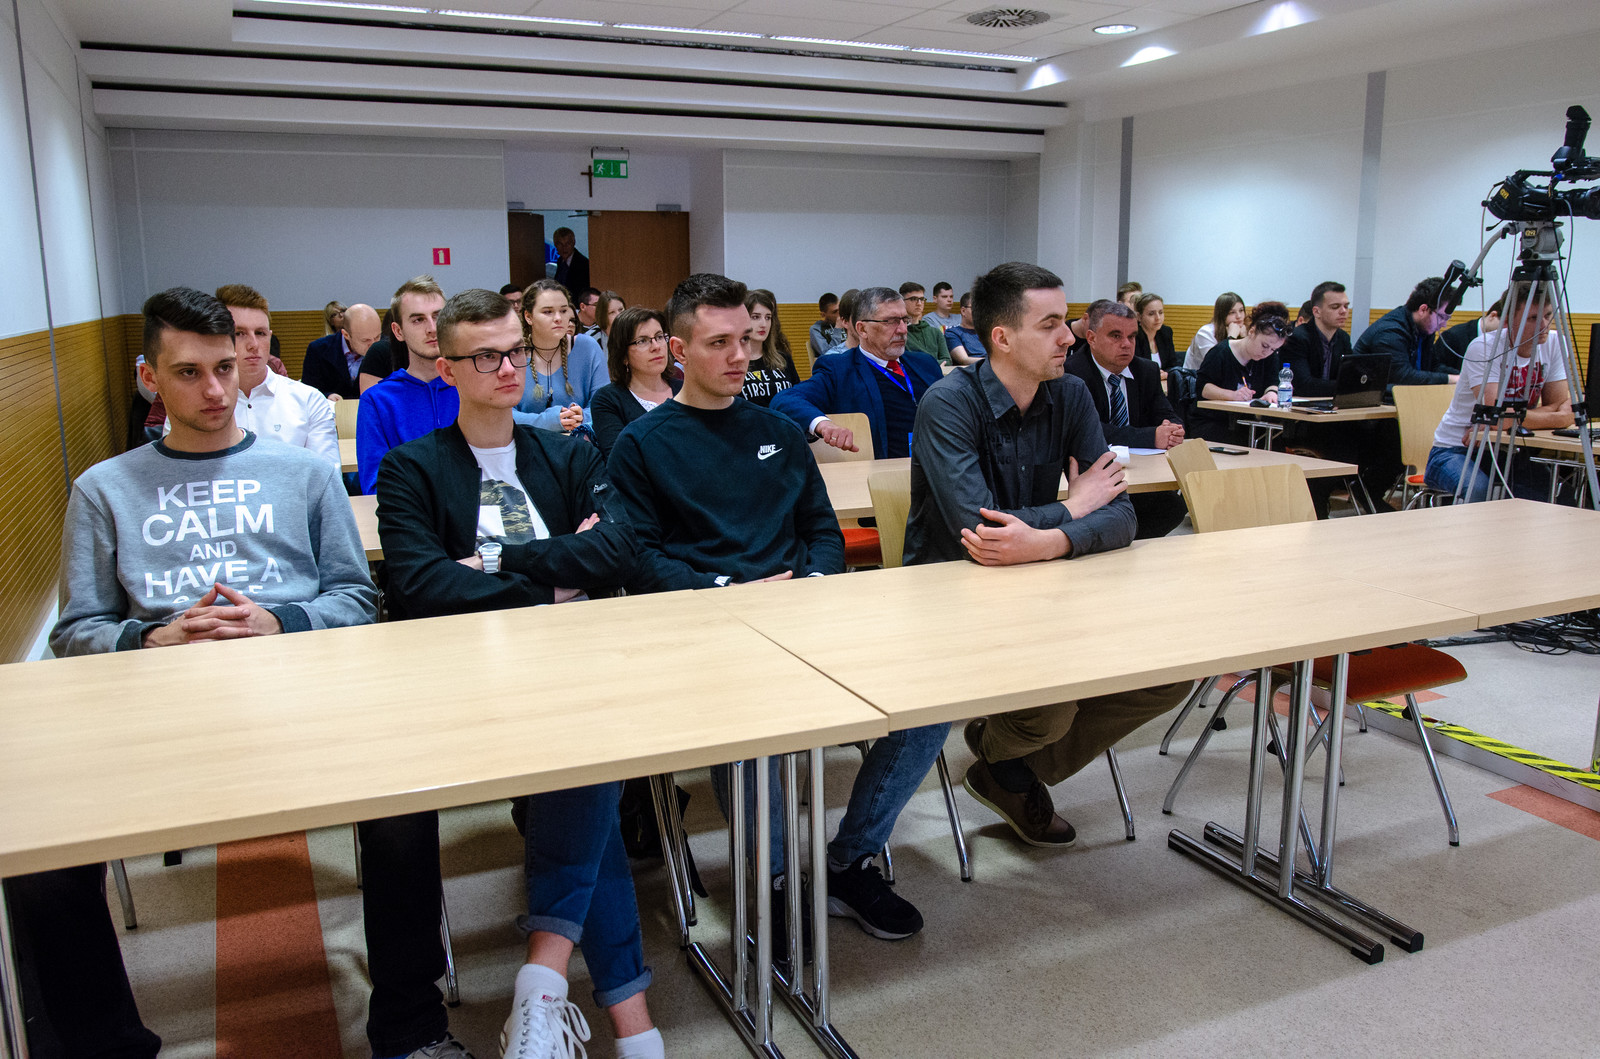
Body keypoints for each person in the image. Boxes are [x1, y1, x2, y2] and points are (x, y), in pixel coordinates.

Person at [13, 287, 376, 1059]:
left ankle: (410, 1024)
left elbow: (356, 598)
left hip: (298, 703)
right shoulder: (104, 488)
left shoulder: (303, 475)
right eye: (188, 372)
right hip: (158, 718)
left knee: (407, 805)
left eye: (224, 368)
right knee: (38, 859)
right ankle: (108, 1046)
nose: (214, 390)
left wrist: (279, 620)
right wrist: (155, 635)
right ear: (149, 377)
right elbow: (76, 631)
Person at [608, 272, 942, 941]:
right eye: (720, 342)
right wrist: (725, 593)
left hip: (802, 611)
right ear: (679, 350)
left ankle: (848, 861)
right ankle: (778, 879)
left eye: (747, 339)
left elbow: (820, 528)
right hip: (707, 627)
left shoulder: (779, 433)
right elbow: (639, 557)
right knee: (755, 723)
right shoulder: (642, 444)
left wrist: (811, 583)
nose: (741, 355)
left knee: (932, 699)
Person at [375, 288, 660, 1059]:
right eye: (486, 356)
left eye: (515, 352)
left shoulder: (569, 454)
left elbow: (618, 551)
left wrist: (492, 561)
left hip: (576, 666)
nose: (509, 368)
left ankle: (549, 992)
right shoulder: (411, 469)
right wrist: (557, 577)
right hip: (467, 680)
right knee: (591, 764)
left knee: (585, 747)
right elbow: (420, 584)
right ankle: (624, 1016)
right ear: (446, 368)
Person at [903, 262, 1189, 846]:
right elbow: (980, 532)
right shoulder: (948, 403)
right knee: (1052, 709)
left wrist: (1049, 540)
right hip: (954, 596)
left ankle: (1006, 764)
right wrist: (1075, 507)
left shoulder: (1070, 394)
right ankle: (1006, 754)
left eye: (1067, 321)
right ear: (1002, 338)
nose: (1070, 337)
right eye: (1051, 324)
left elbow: (1122, 514)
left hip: (1046, 583)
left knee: (1169, 675)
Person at [1424, 281, 1573, 501]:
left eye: (1548, 315)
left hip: (1505, 450)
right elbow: (1496, 416)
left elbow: (1559, 405)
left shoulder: (1555, 343)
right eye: (1533, 318)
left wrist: (1511, 419)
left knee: (1558, 493)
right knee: (1478, 489)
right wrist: (1558, 417)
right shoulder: (1484, 347)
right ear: (1509, 320)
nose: (1544, 325)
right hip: (1454, 449)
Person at [772, 286, 944, 459]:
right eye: (890, 321)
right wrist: (823, 425)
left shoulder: (926, 364)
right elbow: (785, 400)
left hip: (936, 463)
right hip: (883, 469)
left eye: (904, 320)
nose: (902, 330)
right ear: (862, 329)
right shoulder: (839, 370)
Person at [1277, 281, 1402, 514]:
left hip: (1336, 415)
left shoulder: (1342, 338)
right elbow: (1304, 385)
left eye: (1346, 306)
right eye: (1335, 307)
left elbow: (1352, 377)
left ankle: (1369, 490)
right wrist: (1345, 387)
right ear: (1317, 311)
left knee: (1391, 433)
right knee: (1344, 447)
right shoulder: (1298, 338)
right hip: (1305, 420)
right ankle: (1320, 503)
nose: (1343, 311)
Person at [1066, 299, 1188, 538]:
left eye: (1132, 337)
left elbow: (1167, 414)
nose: (1126, 344)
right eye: (1115, 336)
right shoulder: (1071, 374)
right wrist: (1150, 437)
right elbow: (1088, 430)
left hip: (1141, 473)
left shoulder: (1146, 370)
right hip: (1089, 478)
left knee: (1174, 505)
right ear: (1091, 338)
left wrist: (1173, 430)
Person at [204, 284, 339, 468]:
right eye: (239, 333)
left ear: (270, 336)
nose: (253, 344)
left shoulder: (309, 401)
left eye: (260, 333)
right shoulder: (197, 403)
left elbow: (327, 477)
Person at [357, 276, 457, 494]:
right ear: (398, 331)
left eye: (438, 316)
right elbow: (376, 486)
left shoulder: (471, 387)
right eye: (418, 320)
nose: (432, 328)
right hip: (410, 512)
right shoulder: (377, 401)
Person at [1190, 301, 1292, 443]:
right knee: (1240, 441)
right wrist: (1233, 395)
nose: (1267, 352)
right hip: (1214, 421)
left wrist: (1271, 393)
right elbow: (1203, 388)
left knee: (1276, 442)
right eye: (1264, 345)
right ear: (1252, 332)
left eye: (1273, 349)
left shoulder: (1269, 357)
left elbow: (1273, 381)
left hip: (1245, 422)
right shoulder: (1221, 352)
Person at [516, 279, 607, 434]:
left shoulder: (587, 347)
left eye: (564, 311)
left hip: (579, 444)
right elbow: (504, 414)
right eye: (548, 312)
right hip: (528, 444)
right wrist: (548, 421)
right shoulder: (514, 354)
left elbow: (605, 405)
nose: (558, 318)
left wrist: (582, 417)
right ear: (528, 317)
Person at [591, 307, 680, 458]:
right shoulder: (608, 400)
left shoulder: (686, 389)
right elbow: (619, 460)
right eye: (642, 341)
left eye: (659, 337)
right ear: (623, 355)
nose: (656, 346)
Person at [1352, 276, 1460, 388]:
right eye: (1442, 317)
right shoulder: (1390, 332)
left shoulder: (1424, 329)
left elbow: (1432, 367)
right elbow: (1403, 377)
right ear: (1423, 309)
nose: (1444, 324)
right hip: (1370, 395)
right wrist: (1451, 379)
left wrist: (1462, 375)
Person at [305, 301, 382, 401]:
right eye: (365, 340)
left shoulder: (387, 349)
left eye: (377, 337)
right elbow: (308, 391)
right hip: (332, 408)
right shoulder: (318, 350)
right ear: (346, 335)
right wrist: (327, 396)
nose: (373, 345)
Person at [742, 288, 801, 407]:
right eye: (755, 317)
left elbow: (798, 397)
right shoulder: (734, 361)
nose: (763, 324)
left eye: (768, 317)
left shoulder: (783, 359)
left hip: (784, 418)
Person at [1436, 295, 1503, 373]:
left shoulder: (1505, 341)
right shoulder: (1453, 336)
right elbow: (1436, 368)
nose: (1508, 331)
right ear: (1493, 316)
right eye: (1506, 324)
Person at [1183, 292, 1246, 369]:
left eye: (1241, 310)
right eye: (1232, 312)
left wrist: (1245, 338)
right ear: (1222, 315)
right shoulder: (1206, 333)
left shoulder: (1244, 330)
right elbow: (1217, 366)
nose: (1239, 316)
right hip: (1197, 375)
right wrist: (1231, 338)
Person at [900, 281, 950, 365]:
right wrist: (935, 364)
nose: (919, 303)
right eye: (913, 299)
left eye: (922, 299)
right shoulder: (899, 332)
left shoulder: (935, 332)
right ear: (902, 301)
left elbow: (947, 360)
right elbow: (906, 362)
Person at [1132, 292, 1177, 370]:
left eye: (1160, 312)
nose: (1158, 318)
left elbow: (1172, 365)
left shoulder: (1166, 332)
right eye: (1151, 314)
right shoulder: (1134, 337)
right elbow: (1136, 369)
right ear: (1139, 316)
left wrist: (1166, 373)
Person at [944, 291, 986, 365]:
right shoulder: (952, 333)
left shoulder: (987, 332)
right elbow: (964, 359)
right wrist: (992, 362)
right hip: (972, 369)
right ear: (963, 311)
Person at [551, 227, 590, 294]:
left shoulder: (584, 264)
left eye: (568, 243)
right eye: (560, 244)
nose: (564, 247)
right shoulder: (560, 261)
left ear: (574, 243)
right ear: (555, 245)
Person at [809, 292, 845, 360]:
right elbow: (827, 354)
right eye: (835, 312)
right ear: (823, 315)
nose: (840, 314)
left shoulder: (847, 324)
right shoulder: (816, 329)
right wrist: (837, 330)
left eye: (840, 309)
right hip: (834, 363)